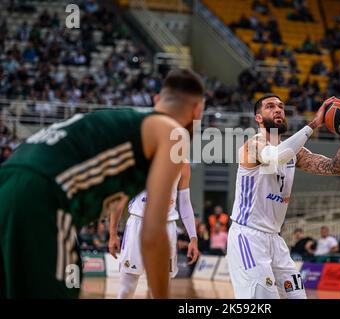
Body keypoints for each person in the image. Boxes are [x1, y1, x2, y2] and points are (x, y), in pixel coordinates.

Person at [0, 69, 205, 298]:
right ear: (197, 110)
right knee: (65, 287)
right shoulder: (171, 132)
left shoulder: (125, 121)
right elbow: (153, 233)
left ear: (157, 99)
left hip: (9, 178)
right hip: (42, 195)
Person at [227, 94, 340, 299]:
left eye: (281, 107)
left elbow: (334, 167)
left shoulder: (296, 153)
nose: (278, 109)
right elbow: (274, 157)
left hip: (275, 239)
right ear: (258, 118)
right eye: (270, 106)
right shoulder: (252, 145)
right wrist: (314, 123)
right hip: (248, 237)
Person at [108, 162, 200, 298]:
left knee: (160, 291)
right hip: (137, 223)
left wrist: (193, 237)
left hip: (166, 226)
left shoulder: (183, 163)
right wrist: (113, 233)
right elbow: (119, 199)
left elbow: (185, 203)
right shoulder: (138, 155)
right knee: (127, 289)